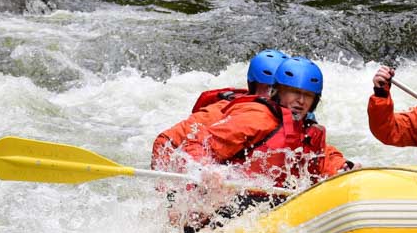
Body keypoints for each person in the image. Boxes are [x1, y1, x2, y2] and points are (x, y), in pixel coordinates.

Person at [177, 56, 353, 194]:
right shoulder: (256, 117)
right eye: (294, 92)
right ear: (278, 92)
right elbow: (200, 143)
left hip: (276, 200)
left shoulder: (309, 129)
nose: (301, 100)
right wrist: (205, 168)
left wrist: (342, 167)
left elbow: (323, 159)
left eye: (307, 95)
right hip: (237, 196)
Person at [150, 49, 286, 170]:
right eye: (268, 88)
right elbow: (201, 145)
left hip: (191, 146)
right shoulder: (253, 117)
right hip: (170, 148)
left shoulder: (259, 109)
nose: (273, 95)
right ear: (253, 85)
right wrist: (205, 173)